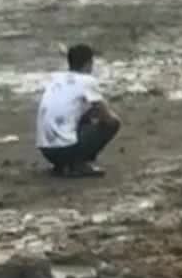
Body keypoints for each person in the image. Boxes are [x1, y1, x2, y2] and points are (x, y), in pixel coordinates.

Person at [35, 44, 122, 178]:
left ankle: (65, 164)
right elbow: (106, 115)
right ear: (89, 63)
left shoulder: (56, 78)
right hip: (64, 149)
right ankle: (78, 164)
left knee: (84, 115)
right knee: (113, 123)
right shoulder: (87, 81)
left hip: (46, 150)